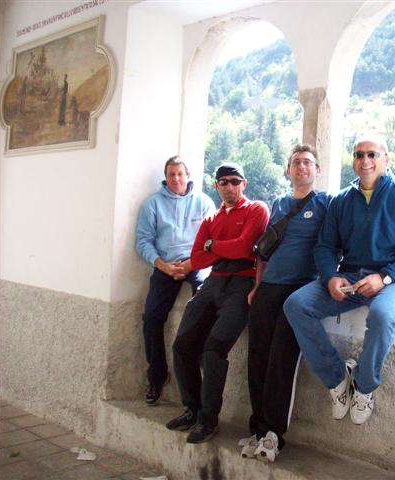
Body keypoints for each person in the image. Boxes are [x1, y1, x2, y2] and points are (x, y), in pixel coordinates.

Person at [284, 135, 395, 426]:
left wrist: (385, 277)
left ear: (386, 159)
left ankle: (364, 387)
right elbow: (325, 246)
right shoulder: (342, 200)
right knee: (296, 305)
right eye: (359, 154)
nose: (365, 160)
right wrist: (330, 277)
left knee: (382, 316)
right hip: (352, 276)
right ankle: (337, 378)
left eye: (372, 154)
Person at [166, 162, 269, 444]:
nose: (229, 187)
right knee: (182, 345)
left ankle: (208, 421)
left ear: (243, 184)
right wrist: (220, 249)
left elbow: (244, 247)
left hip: (241, 284)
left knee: (213, 350)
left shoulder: (256, 209)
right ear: (216, 186)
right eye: (223, 182)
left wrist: (212, 245)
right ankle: (192, 409)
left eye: (235, 181)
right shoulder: (211, 219)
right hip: (213, 282)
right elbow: (198, 258)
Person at [240, 145, 330, 462]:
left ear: (317, 169)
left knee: (282, 360)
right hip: (269, 287)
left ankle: (274, 435)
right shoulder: (279, 204)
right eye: (296, 162)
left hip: (299, 291)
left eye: (307, 162)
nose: (301, 166)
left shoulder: (326, 204)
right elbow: (263, 250)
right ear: (288, 170)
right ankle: (257, 429)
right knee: (257, 356)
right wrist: (257, 285)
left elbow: (334, 245)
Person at [136, 156, 215, 406]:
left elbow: (212, 241)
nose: (176, 179)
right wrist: (162, 265)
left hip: (196, 262)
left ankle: (198, 354)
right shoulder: (153, 204)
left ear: (188, 176)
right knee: (151, 316)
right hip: (165, 264)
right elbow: (143, 241)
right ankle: (157, 375)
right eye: (171, 174)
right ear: (165, 177)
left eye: (180, 174)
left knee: (205, 298)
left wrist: (192, 263)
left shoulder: (203, 203)